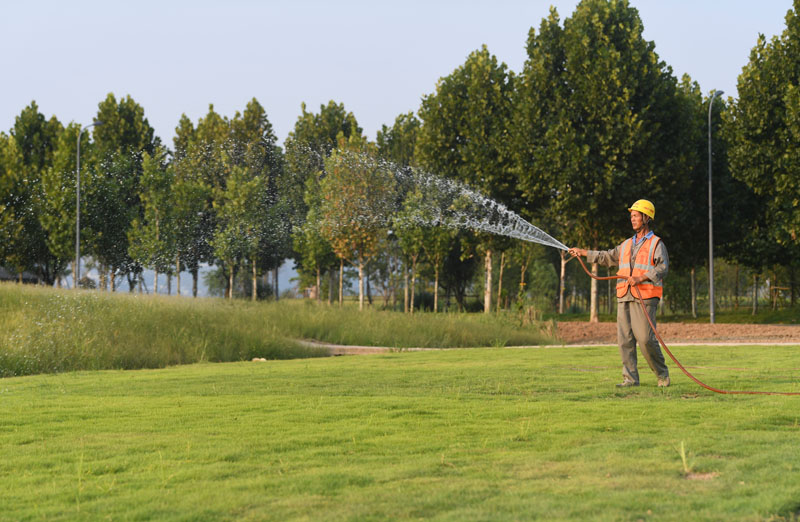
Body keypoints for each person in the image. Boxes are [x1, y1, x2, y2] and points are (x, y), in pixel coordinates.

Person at [568, 199, 670, 388]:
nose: (632, 219)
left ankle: (662, 374)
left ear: (646, 218)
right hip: (625, 295)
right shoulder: (625, 245)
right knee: (625, 339)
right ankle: (630, 379)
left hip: (645, 296)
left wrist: (642, 278)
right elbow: (606, 257)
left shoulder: (656, 243)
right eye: (631, 216)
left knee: (645, 339)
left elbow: (663, 268)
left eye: (636, 216)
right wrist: (583, 252)